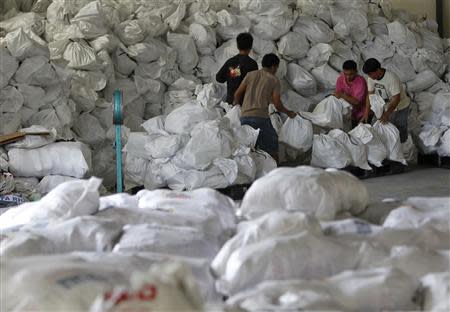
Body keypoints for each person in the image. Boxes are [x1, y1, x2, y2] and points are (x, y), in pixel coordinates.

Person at [233, 53, 296, 162]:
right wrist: (288, 112)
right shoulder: (274, 80)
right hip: (260, 118)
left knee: (250, 148)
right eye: (276, 67)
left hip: (244, 117)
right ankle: (275, 171)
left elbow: (237, 94)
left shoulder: (250, 75)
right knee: (272, 144)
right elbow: (277, 103)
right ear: (273, 66)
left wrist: (238, 106)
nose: (276, 70)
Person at [363, 58, 411, 143]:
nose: (370, 77)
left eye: (371, 74)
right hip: (386, 106)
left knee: (400, 127)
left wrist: (387, 114)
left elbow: (396, 99)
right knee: (384, 129)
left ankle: (404, 146)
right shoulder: (370, 78)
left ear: (378, 70)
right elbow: (370, 95)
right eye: (368, 75)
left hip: (401, 106)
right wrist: (367, 111)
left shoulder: (391, 78)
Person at [216, 33, 258, 105]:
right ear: (250, 47)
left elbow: (219, 78)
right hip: (246, 104)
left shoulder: (230, 62)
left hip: (230, 102)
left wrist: (231, 76)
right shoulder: (252, 64)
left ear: (238, 46)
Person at [334, 60, 368, 128]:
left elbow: (356, 102)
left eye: (351, 74)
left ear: (356, 71)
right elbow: (338, 96)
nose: (348, 77)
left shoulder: (361, 82)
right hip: (347, 113)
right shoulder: (340, 79)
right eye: (345, 74)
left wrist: (342, 95)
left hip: (360, 113)